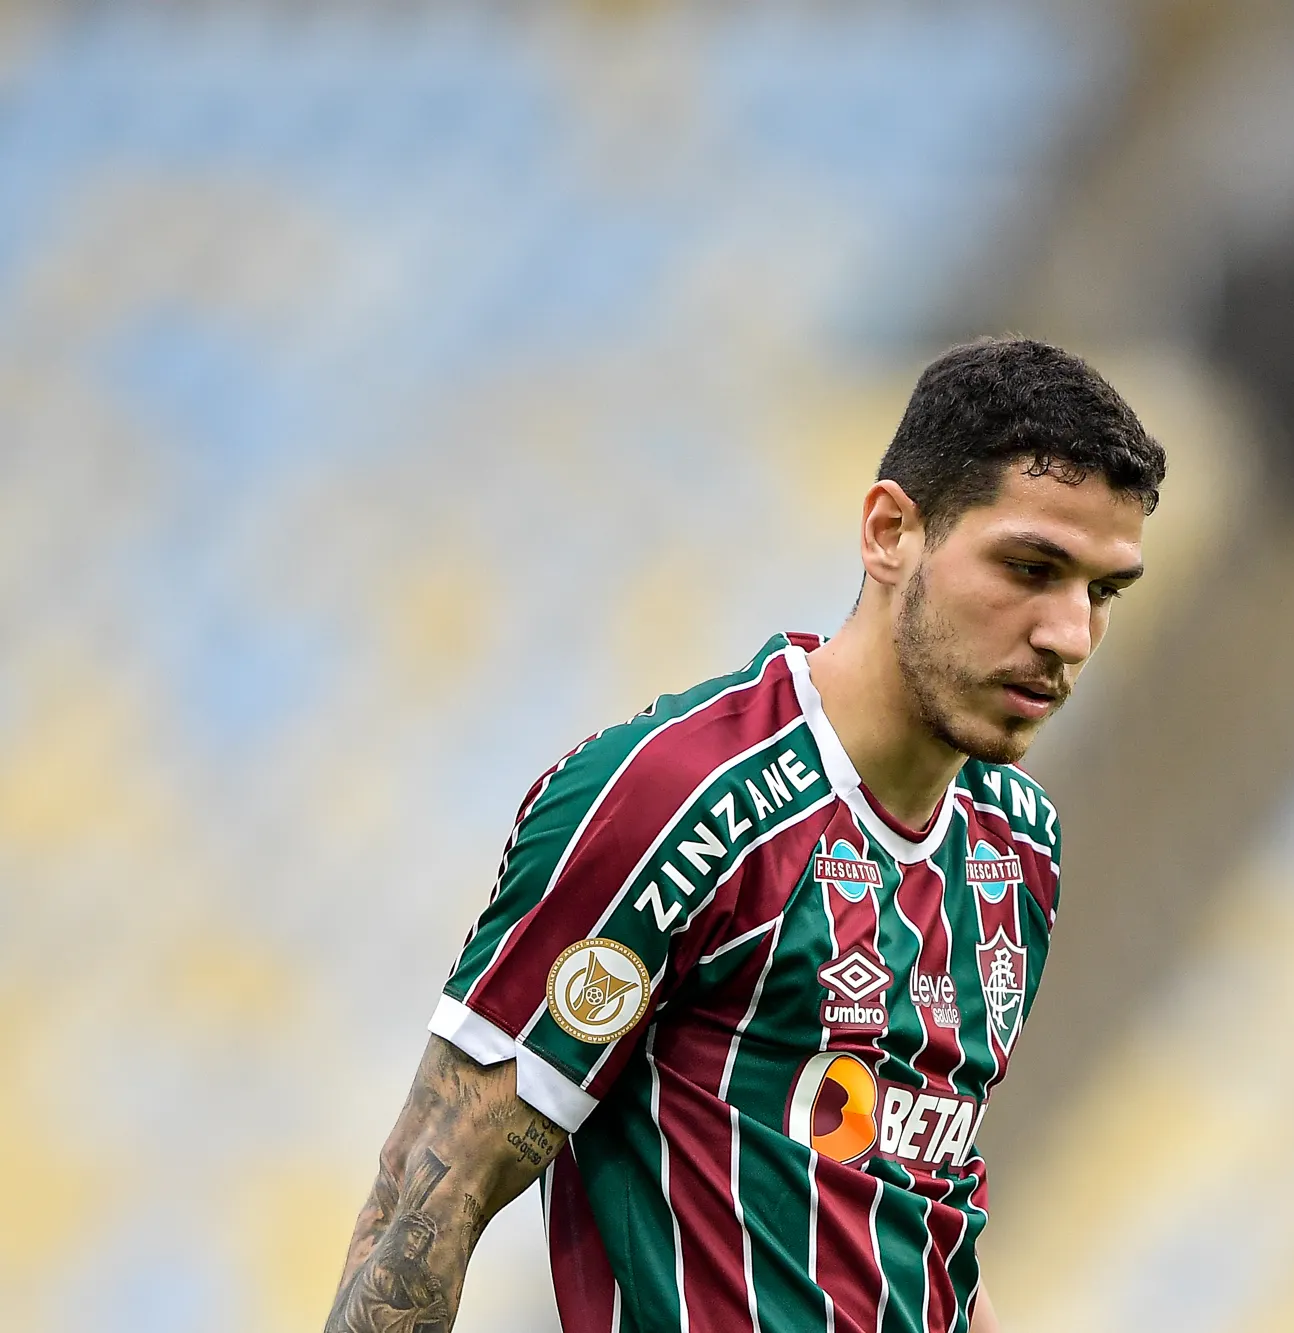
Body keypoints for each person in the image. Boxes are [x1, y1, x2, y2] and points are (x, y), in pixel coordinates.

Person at [324, 337, 1165, 1333]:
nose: (1068, 634)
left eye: (1101, 592)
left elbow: (922, 1217)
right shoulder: (674, 799)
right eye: (1030, 567)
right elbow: (423, 1202)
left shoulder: (1016, 843)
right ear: (891, 531)